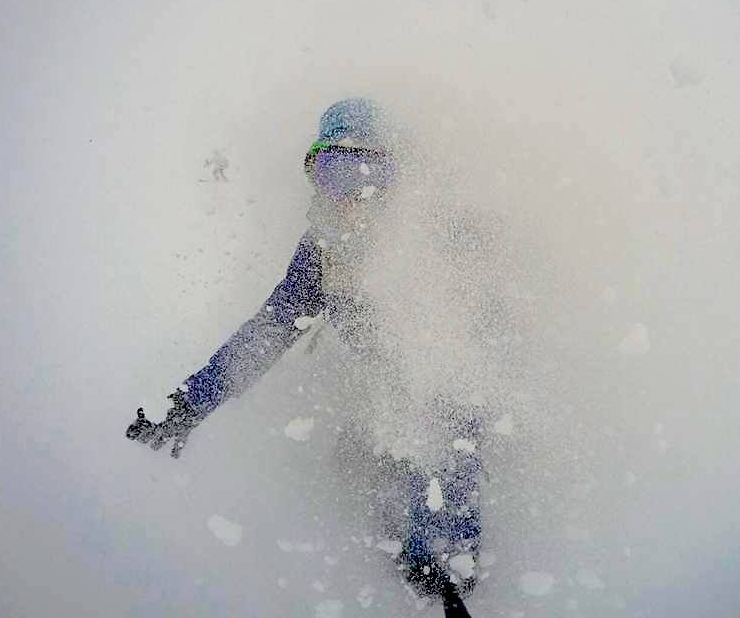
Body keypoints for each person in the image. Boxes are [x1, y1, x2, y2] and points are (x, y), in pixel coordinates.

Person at [126, 98, 485, 617]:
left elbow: (455, 400)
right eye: (333, 173)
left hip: (444, 397)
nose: (352, 193)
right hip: (382, 392)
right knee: (360, 461)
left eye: (367, 172)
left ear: (396, 176)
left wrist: (445, 546)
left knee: (436, 451)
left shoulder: (435, 240)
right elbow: (269, 331)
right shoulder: (323, 253)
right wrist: (189, 403)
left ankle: (437, 555)